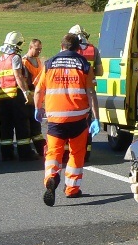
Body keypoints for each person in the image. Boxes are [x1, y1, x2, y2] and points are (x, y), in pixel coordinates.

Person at [34, 33, 99, 206]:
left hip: (55, 118)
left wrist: (38, 108)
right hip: (78, 118)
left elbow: (39, 91)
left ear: (61, 46)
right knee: (77, 153)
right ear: (78, 48)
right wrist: (96, 118)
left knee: (53, 152)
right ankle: (72, 189)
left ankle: (51, 177)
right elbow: (91, 93)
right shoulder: (84, 64)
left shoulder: (49, 64)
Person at [0, 31, 37, 161]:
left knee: (5, 127)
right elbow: (18, 76)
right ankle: (25, 154)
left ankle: (7, 154)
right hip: (16, 98)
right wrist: (26, 93)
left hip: (3, 98)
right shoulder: (15, 58)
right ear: (17, 44)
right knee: (22, 126)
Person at [67, 24, 102, 161]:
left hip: (71, 90)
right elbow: (100, 71)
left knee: (69, 122)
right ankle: (85, 153)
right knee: (85, 124)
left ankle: (68, 152)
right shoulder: (93, 50)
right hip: (88, 91)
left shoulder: (68, 50)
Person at [21, 38, 46, 157]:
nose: (39, 51)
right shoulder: (24, 61)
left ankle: (40, 148)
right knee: (30, 123)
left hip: (38, 94)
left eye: (40, 49)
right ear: (30, 47)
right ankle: (38, 148)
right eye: (37, 49)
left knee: (36, 123)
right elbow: (24, 80)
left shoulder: (38, 60)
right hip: (30, 95)